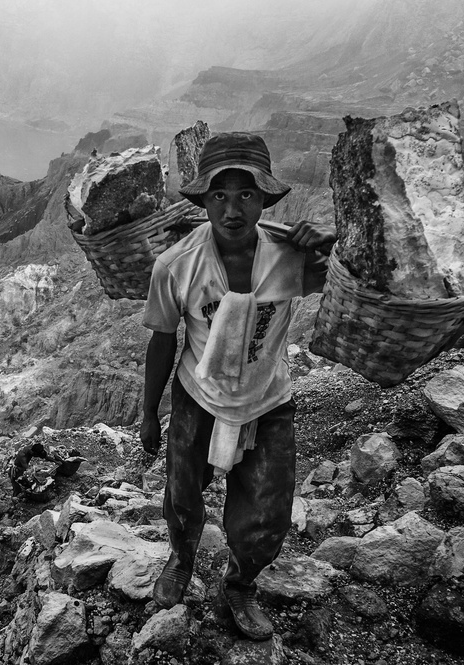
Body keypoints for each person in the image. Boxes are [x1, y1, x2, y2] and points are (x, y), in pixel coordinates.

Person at [140, 132, 336, 641]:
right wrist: (147, 414)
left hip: (268, 399)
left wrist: (333, 247)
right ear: (203, 201)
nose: (232, 209)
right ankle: (181, 560)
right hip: (197, 396)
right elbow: (163, 341)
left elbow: (359, 282)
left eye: (246, 194)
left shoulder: (290, 257)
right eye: (219, 195)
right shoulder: (176, 265)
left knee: (268, 507)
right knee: (183, 493)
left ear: (265, 200)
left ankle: (242, 581)